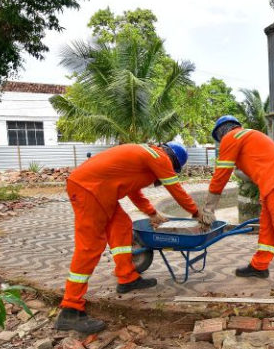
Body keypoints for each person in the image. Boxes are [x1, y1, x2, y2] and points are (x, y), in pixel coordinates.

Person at [55, 142, 199, 333]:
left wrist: (152, 213)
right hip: (89, 189)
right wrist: (196, 212)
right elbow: (175, 189)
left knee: (121, 226)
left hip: (98, 190)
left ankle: (127, 278)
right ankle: (70, 309)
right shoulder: (160, 157)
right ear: (173, 162)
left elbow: (134, 191)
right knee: (89, 247)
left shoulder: (145, 157)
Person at [199, 116, 274, 291]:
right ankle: (259, 266)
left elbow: (221, 174)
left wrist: (208, 208)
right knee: (268, 226)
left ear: (221, 132)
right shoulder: (246, 135)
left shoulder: (231, 138)